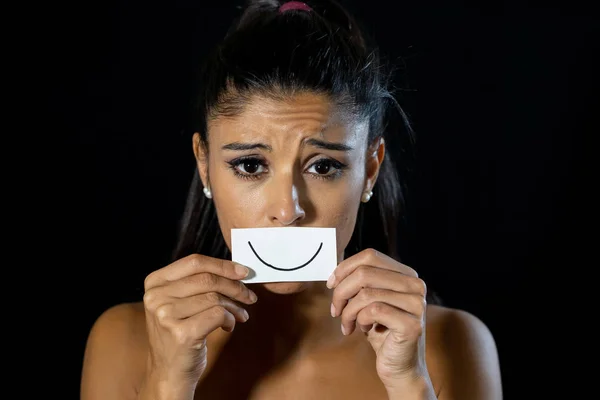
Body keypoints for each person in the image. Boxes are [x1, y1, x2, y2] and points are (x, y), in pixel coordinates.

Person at [80, 1, 502, 399]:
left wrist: (410, 383)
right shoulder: (124, 342)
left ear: (370, 169)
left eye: (323, 167)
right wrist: (168, 383)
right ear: (205, 166)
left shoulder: (453, 346)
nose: (287, 210)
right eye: (249, 165)